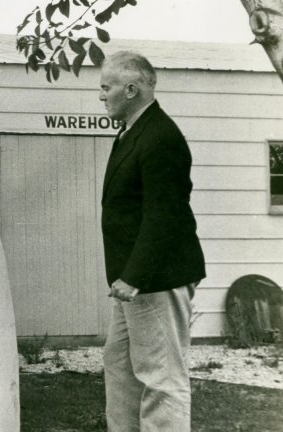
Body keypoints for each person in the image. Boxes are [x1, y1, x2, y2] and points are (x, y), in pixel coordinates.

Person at [98, 51, 205, 431]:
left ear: (131, 90)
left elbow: (165, 214)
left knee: (162, 378)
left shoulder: (160, 137)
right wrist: (127, 277)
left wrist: (135, 277)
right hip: (133, 280)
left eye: (106, 87)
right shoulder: (133, 132)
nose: (101, 95)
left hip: (156, 278)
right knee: (120, 366)